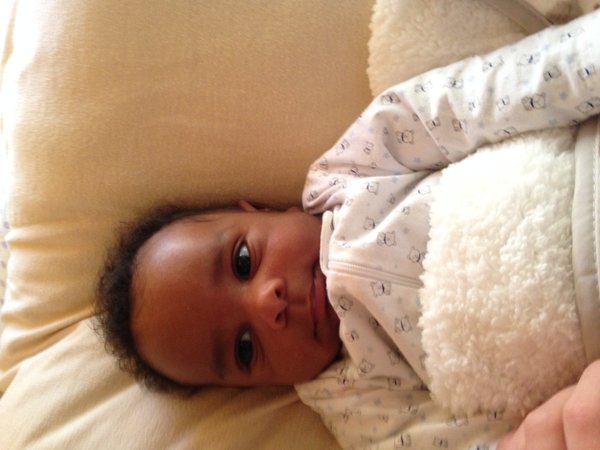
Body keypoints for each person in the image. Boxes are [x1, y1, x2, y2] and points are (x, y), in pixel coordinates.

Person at [95, 9, 600, 449]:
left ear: (263, 210)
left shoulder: (354, 171)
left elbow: (480, 100)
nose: (268, 303)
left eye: (243, 262)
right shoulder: (352, 401)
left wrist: (587, 62)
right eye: (245, 348)